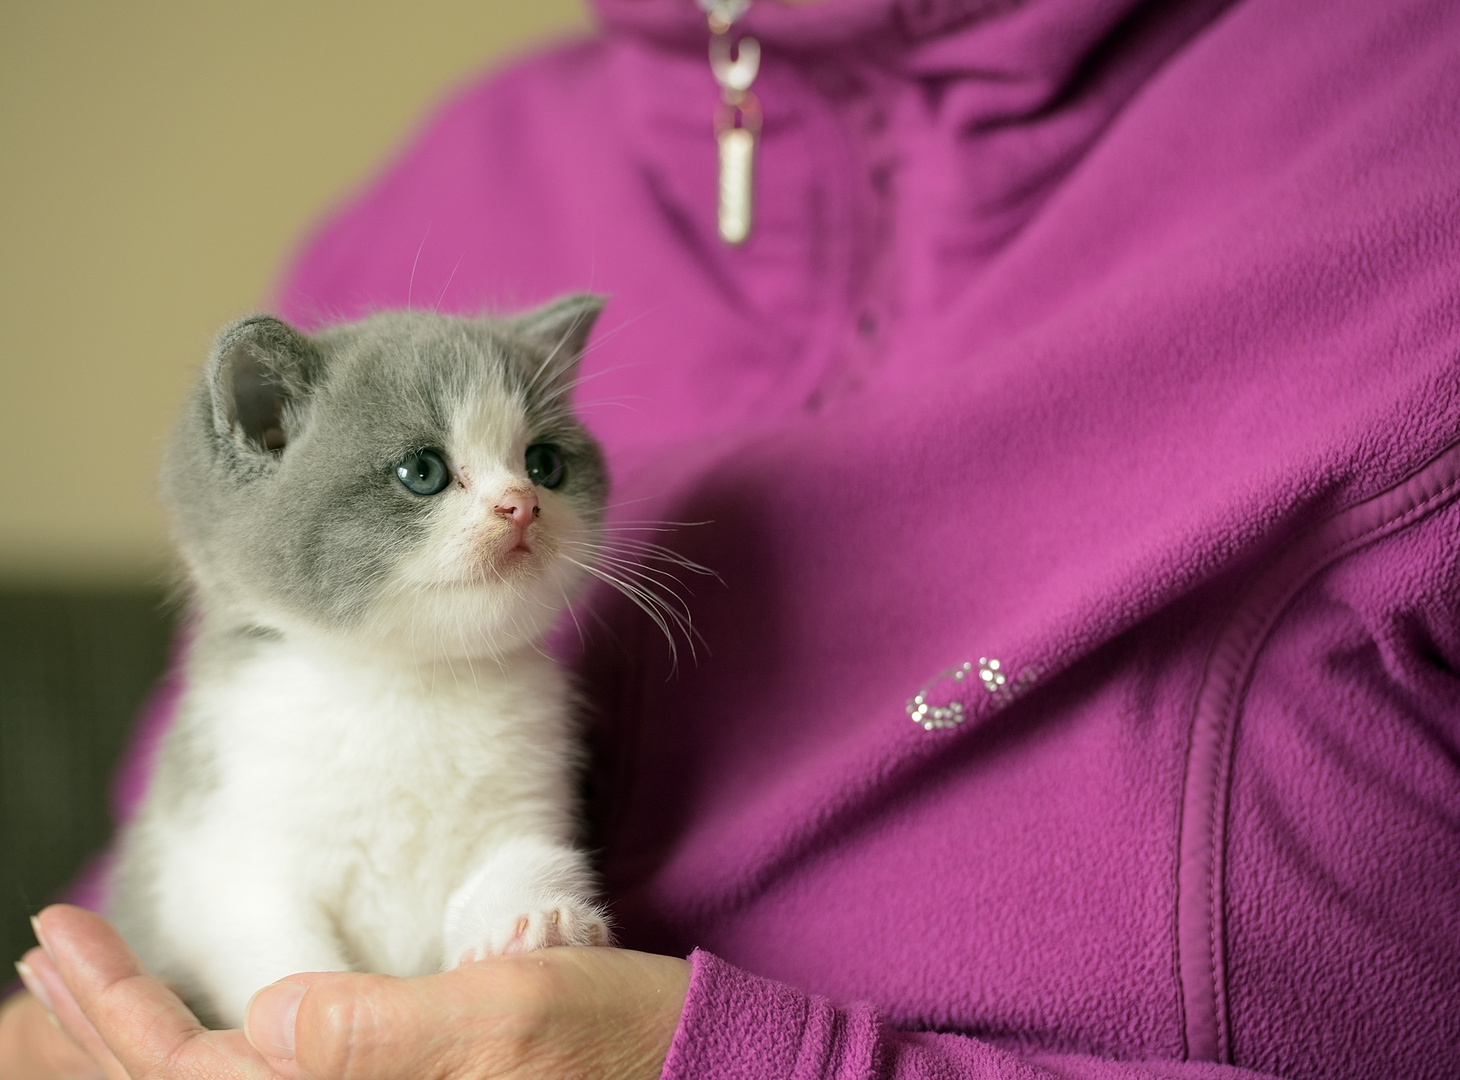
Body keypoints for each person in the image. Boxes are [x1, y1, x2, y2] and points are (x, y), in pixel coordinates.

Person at [6, 0, 1460, 1076]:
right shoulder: (452, 174)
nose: (520, 501)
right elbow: (173, 865)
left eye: (545, 460)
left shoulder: (1407, 119)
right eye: (437, 475)